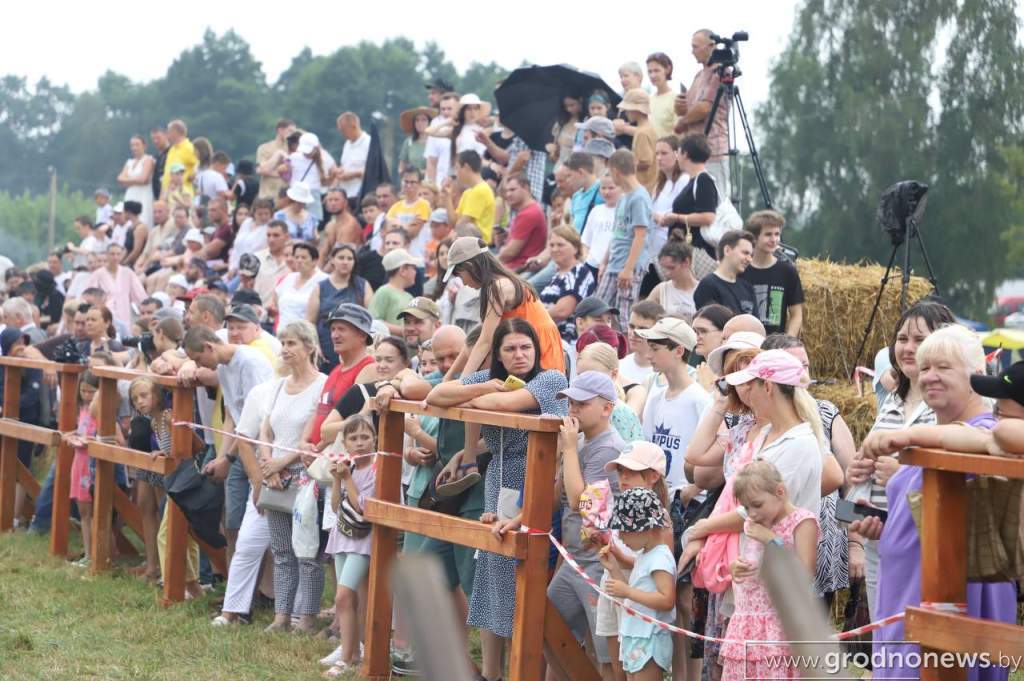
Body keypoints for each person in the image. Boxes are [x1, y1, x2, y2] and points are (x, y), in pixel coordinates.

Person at [853, 325, 1018, 681]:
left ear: (976, 374)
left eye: (943, 367)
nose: (929, 376)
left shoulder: (984, 429)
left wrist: (908, 434)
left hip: (949, 598)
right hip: (904, 592)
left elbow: (989, 438)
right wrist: (885, 525)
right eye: (925, 368)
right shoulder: (934, 439)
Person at [427, 318, 568, 681]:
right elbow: (436, 396)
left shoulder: (550, 379)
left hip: (538, 484)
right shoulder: (492, 378)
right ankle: (492, 675)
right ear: (499, 355)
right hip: (497, 482)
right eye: (510, 349)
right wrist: (484, 385)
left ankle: (526, 673)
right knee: (491, 577)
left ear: (536, 350)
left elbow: (503, 405)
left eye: (525, 347)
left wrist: (478, 393)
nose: (519, 355)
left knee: (529, 583)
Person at [845, 300, 955, 620]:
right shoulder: (892, 401)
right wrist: (858, 471)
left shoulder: (948, 406)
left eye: (920, 339)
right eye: (902, 338)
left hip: (922, 540)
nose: (908, 348)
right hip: (880, 537)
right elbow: (870, 461)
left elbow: (958, 469)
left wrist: (901, 473)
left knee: (916, 638)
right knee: (885, 633)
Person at [539, 372, 623, 677]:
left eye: (581, 404)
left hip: (600, 566)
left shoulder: (607, 448)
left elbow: (578, 502)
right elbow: (556, 498)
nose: (572, 410)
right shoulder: (583, 442)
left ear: (606, 408)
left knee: (607, 656)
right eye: (570, 403)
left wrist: (570, 450)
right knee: (548, 631)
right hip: (574, 561)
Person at [719, 460, 819, 681]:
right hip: (747, 622)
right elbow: (752, 560)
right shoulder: (754, 524)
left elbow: (804, 575)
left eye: (757, 504)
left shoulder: (802, 522)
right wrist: (736, 567)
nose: (752, 514)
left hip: (780, 626)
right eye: (746, 508)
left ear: (780, 492)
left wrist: (773, 541)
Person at [443, 235, 566, 378]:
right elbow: (478, 337)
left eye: (459, 275)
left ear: (470, 267)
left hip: (538, 352)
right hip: (529, 347)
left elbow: (485, 341)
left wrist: (461, 383)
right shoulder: (498, 283)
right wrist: (448, 377)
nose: (463, 283)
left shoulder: (498, 287)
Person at [598, 443, 670, 681]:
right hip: (634, 635)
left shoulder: (659, 557)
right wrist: (614, 568)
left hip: (649, 638)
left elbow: (666, 599)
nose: (623, 537)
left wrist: (626, 589)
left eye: (627, 531)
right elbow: (634, 590)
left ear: (648, 529)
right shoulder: (644, 555)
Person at [322, 415, 379, 677]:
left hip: (363, 541)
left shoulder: (377, 469)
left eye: (365, 437)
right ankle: (352, 651)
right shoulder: (351, 467)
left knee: (342, 597)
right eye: (354, 438)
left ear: (375, 439)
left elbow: (363, 509)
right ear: (344, 443)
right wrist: (337, 479)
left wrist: (346, 480)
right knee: (349, 599)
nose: (360, 443)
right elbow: (336, 507)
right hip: (342, 536)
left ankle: (344, 659)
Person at [639, 317, 713, 492]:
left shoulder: (700, 400)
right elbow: (647, 447)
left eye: (655, 349)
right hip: (657, 497)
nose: (649, 355)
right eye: (649, 348)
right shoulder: (655, 398)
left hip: (687, 502)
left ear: (679, 351)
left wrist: (689, 493)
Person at [304, 304, 378, 451]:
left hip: (337, 460)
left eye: (341, 329)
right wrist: (304, 443)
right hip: (318, 457)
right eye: (333, 329)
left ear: (362, 335)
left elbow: (357, 423)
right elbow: (319, 409)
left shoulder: (369, 369)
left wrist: (318, 451)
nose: (334, 335)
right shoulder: (336, 370)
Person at [594, 149, 655, 324]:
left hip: (629, 266)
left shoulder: (639, 198)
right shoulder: (624, 197)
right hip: (615, 263)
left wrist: (628, 269)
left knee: (623, 317)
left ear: (616, 171)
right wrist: (605, 261)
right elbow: (617, 234)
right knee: (599, 310)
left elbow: (640, 235)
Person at [674, 30, 730, 196]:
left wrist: (683, 121)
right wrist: (680, 106)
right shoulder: (699, 75)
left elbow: (705, 107)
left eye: (695, 47)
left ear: (711, 46)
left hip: (714, 149)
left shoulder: (721, 72)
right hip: (696, 151)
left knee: (717, 202)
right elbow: (690, 107)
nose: (692, 52)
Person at [663, 134, 721, 278]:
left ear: (685, 154)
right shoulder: (693, 180)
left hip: (698, 249)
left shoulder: (703, 180)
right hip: (686, 250)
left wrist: (676, 217)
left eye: (678, 152)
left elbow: (708, 216)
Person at [739, 210, 804, 336]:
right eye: (768, 234)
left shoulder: (787, 270)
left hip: (775, 345)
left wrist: (787, 342)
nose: (774, 239)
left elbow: (796, 314)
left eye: (777, 234)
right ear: (754, 237)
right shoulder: (741, 270)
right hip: (745, 342)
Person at [308, 244, 372, 371]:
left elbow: (371, 317)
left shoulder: (362, 285)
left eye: (349, 259)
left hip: (354, 345)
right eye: (341, 258)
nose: (345, 262)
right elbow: (310, 321)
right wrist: (315, 345)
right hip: (325, 344)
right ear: (332, 260)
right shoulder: (320, 287)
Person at [62, 370, 101, 567]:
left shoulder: (100, 411)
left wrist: (88, 441)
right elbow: (81, 430)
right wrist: (71, 436)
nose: (87, 395)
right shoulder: (83, 409)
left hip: (91, 464)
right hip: (79, 462)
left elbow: (109, 438)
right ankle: (88, 553)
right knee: (83, 511)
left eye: (91, 391)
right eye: (84, 391)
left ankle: (96, 554)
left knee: (93, 511)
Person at [576, 341, 645, 440]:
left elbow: (624, 453)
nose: (585, 383)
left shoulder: (619, 412)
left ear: (614, 374)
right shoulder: (579, 406)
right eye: (580, 376)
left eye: (594, 377)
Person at [539, 226, 597, 341]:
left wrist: (533, 318)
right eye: (552, 245)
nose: (555, 249)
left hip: (567, 339)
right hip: (549, 335)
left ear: (575, 248)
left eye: (560, 245)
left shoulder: (579, 272)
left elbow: (563, 311)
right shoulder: (558, 275)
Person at [82, 243, 147, 328]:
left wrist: (144, 310)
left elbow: (139, 295)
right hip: (105, 313)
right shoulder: (98, 274)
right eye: (112, 254)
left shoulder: (128, 273)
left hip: (124, 312)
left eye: (118, 254)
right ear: (107, 255)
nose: (115, 257)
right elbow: (89, 295)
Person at [693, 231, 756, 315]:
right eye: (745, 253)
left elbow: (755, 323)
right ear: (727, 250)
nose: (749, 259)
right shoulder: (708, 286)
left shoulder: (747, 288)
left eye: (751, 255)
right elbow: (712, 324)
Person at [442, 150, 496, 245]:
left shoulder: (481, 190)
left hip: (478, 247)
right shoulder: (468, 192)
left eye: (457, 168)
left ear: (466, 167)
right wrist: (447, 197)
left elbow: (461, 225)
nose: (456, 173)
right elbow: (454, 223)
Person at [497, 173, 547, 271]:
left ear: (526, 188)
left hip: (519, 268)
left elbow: (509, 253)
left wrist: (489, 263)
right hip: (515, 266)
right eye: (507, 191)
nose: (508, 194)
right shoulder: (531, 209)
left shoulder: (529, 213)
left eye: (512, 190)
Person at [271, 242, 326, 328]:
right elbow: (276, 298)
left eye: (304, 257)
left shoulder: (323, 280)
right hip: (282, 332)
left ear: (314, 261)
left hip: (304, 334)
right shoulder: (288, 278)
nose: (299, 260)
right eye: (297, 257)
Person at [369, 249, 421, 335]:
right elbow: (373, 322)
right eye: (413, 268)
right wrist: (403, 330)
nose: (415, 272)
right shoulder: (384, 291)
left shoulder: (409, 296)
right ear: (403, 270)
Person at [581, 172, 620, 281]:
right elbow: (585, 241)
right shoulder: (596, 210)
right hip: (592, 265)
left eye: (611, 188)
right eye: (603, 188)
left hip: (612, 267)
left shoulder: (624, 211)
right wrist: (586, 259)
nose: (607, 192)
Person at [617, 90, 658, 194]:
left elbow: (646, 161)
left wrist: (626, 166)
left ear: (637, 110)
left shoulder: (641, 133)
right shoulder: (649, 128)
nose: (626, 113)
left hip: (644, 185)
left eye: (628, 109)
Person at [387, 167, 433, 257]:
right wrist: (407, 226)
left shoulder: (423, 205)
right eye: (406, 182)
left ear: (419, 184)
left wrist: (397, 225)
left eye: (412, 182)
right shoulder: (395, 207)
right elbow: (388, 230)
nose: (408, 185)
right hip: (398, 256)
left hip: (417, 255)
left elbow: (412, 233)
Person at [647, 240, 698, 320]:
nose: (667, 273)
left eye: (671, 268)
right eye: (664, 268)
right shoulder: (661, 290)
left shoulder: (703, 289)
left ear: (686, 262)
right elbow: (643, 314)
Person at [620, 300, 664, 386]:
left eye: (642, 329)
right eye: (631, 326)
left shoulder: (665, 373)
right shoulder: (618, 365)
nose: (634, 333)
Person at [117, 134, 155, 226]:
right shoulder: (129, 162)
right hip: (130, 194)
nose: (134, 148)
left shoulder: (148, 159)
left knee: (143, 219)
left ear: (144, 146)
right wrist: (136, 180)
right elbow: (120, 179)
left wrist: (128, 180)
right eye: (132, 145)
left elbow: (143, 179)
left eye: (137, 145)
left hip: (143, 195)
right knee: (129, 222)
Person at [424, 92, 460, 186]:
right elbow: (431, 161)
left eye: (449, 109)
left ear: (458, 109)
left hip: (460, 180)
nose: (446, 112)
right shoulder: (436, 123)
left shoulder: (464, 126)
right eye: (443, 109)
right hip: (440, 182)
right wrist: (432, 186)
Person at [253, 220, 291, 306]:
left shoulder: (294, 261)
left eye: (276, 235)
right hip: (259, 312)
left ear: (287, 236)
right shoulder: (256, 258)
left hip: (284, 313)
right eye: (268, 235)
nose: (271, 239)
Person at [256, 118, 295, 199]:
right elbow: (264, 169)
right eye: (290, 131)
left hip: (286, 198)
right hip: (267, 196)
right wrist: (279, 153)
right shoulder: (265, 148)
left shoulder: (294, 150)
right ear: (280, 130)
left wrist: (275, 172)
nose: (292, 135)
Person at [646, 53, 678, 139]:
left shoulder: (676, 99)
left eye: (657, 70)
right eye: (650, 71)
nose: (652, 75)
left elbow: (678, 133)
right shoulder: (649, 99)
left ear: (667, 69)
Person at [161, 119, 198, 195]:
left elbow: (201, 163)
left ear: (175, 132)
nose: (167, 134)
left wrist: (193, 175)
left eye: (168, 131)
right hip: (169, 193)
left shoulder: (189, 148)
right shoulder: (172, 149)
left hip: (183, 194)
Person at [399, 106, 434, 174]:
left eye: (423, 120)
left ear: (429, 122)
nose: (420, 123)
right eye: (417, 120)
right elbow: (401, 167)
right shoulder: (409, 142)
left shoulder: (435, 142)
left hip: (430, 182)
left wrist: (419, 173)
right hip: (411, 182)